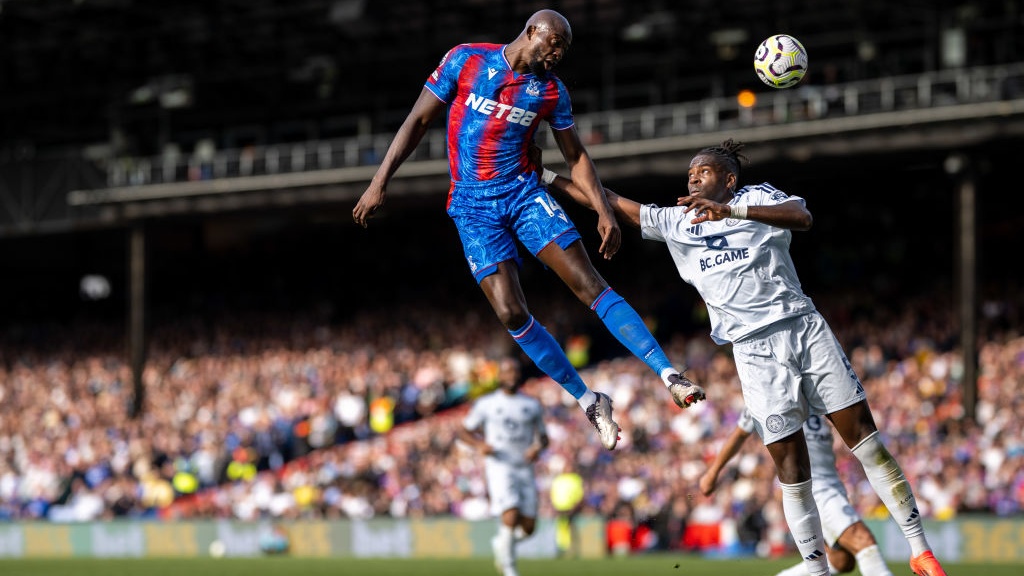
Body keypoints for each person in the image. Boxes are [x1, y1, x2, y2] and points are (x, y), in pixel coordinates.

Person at [538, 139, 947, 576]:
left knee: (867, 442)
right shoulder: (678, 221)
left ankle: (919, 551)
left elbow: (802, 217)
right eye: (691, 172)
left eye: (705, 171)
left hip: (803, 328)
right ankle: (814, 566)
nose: (694, 176)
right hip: (752, 351)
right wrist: (546, 178)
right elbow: (615, 203)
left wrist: (731, 212)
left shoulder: (758, 198)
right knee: (791, 467)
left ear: (730, 179)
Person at [352, 9, 704, 451]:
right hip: (472, 208)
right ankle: (590, 400)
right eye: (554, 44)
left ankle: (667, 372)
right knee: (510, 313)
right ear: (532, 32)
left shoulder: (551, 92)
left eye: (565, 50)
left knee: (587, 283)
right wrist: (378, 182)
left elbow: (575, 156)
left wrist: (603, 211)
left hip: (523, 196)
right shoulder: (465, 60)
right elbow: (418, 120)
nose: (558, 55)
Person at [699, 408, 893, 576]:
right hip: (813, 485)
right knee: (862, 539)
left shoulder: (814, 382)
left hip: (833, 482)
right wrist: (713, 472)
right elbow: (740, 434)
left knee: (841, 560)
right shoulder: (766, 392)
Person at [457, 357, 549, 576]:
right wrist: (480, 444)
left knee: (528, 527)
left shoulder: (531, 405)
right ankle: (509, 569)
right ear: (499, 376)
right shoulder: (486, 404)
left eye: (515, 371)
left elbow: (544, 438)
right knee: (510, 511)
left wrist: (537, 448)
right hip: (499, 465)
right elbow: (464, 431)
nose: (512, 376)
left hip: (524, 466)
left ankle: (502, 544)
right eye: (507, 372)